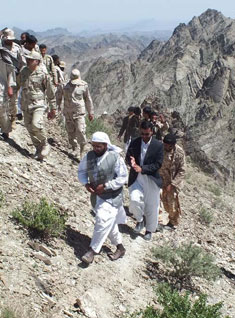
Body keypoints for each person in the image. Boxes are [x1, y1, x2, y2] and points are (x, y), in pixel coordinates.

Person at [77, 132, 128, 264]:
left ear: (106, 145)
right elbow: (81, 172)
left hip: (112, 197)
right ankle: (120, 248)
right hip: (96, 196)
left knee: (102, 220)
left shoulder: (115, 157)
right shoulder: (89, 156)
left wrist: (106, 186)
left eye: (99, 146)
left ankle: (92, 251)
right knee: (108, 224)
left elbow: (122, 177)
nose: (96, 149)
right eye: (94, 146)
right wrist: (86, 183)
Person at [125, 121, 164, 241]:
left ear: (152, 132)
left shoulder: (158, 145)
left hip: (151, 179)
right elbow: (128, 156)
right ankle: (140, 220)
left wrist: (143, 168)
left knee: (152, 206)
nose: (144, 136)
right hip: (137, 177)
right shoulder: (135, 142)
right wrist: (131, 161)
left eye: (147, 134)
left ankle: (149, 230)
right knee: (134, 199)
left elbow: (158, 164)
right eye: (142, 134)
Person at [17, 50, 56, 161]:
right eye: (27, 59)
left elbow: (50, 92)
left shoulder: (43, 74)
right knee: (29, 128)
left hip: (38, 104)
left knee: (36, 124)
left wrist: (53, 108)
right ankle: (38, 150)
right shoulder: (23, 71)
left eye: (31, 60)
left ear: (37, 62)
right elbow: (17, 84)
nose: (28, 61)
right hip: (25, 104)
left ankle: (45, 144)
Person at [58, 69, 94, 157]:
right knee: (70, 132)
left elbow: (88, 99)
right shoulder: (64, 86)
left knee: (80, 130)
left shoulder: (84, 85)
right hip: (68, 112)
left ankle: (82, 149)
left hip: (79, 112)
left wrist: (90, 112)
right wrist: (57, 108)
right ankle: (75, 148)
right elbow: (58, 97)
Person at [159, 134, 186, 230]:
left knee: (171, 203)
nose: (166, 147)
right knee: (158, 200)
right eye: (165, 144)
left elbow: (182, 171)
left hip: (172, 182)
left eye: (168, 146)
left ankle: (172, 222)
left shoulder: (179, 153)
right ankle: (157, 220)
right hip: (159, 178)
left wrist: (173, 184)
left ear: (173, 145)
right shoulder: (159, 147)